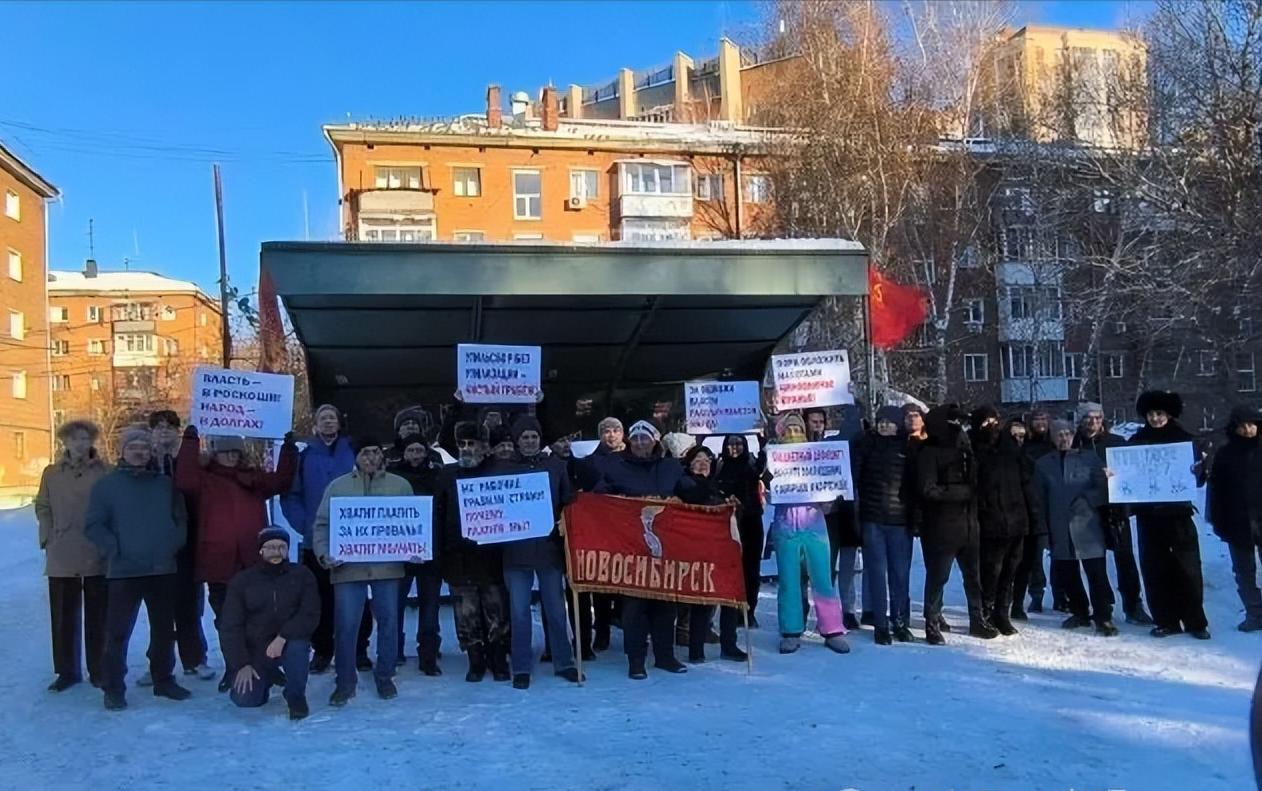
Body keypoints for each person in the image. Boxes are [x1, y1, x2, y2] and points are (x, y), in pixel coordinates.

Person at [175, 426, 297, 692]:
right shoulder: (204, 480)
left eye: (235, 452)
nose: (231, 456)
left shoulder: (252, 479)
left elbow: (281, 481)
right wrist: (190, 440)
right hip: (219, 563)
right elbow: (184, 480)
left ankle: (265, 664)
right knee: (227, 621)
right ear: (215, 454)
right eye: (226, 451)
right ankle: (234, 667)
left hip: (253, 561)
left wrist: (288, 449)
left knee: (260, 618)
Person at [85, 426, 191, 711]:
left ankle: (163, 679)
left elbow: (180, 519)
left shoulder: (165, 485)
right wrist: (114, 549)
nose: (139, 452)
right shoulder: (106, 487)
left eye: (144, 447)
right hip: (124, 571)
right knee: (117, 632)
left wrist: (172, 545)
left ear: (151, 451)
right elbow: (94, 525)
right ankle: (113, 687)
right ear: (122, 451)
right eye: (133, 447)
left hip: (161, 568)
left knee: (163, 630)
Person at [313, 436, 413, 705]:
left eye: (375, 452)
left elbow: (412, 521)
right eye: (365, 453)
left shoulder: (400, 485)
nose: (370, 457)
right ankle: (345, 681)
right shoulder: (338, 486)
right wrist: (324, 553)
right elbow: (322, 524)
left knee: (389, 623)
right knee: (346, 626)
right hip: (348, 567)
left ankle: (385, 676)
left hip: (387, 567)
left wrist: (416, 547)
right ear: (356, 457)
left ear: (382, 455)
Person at [594, 419, 692, 677]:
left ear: (655, 440)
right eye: (635, 438)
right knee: (634, 607)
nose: (639, 443)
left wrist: (706, 495)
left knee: (665, 604)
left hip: (664, 548)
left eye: (644, 438)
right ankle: (635, 660)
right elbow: (599, 496)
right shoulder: (617, 467)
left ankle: (665, 655)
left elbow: (690, 491)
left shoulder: (670, 467)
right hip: (631, 548)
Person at [501, 416, 582, 688]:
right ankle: (521, 667)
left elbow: (568, 499)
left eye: (533, 436)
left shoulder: (555, 465)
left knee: (556, 610)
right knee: (519, 613)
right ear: (517, 441)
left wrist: (568, 515)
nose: (529, 441)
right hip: (516, 551)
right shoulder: (505, 469)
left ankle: (564, 662)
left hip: (548, 549)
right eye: (524, 437)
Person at [281, 404, 359, 674]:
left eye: (332, 417)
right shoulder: (305, 457)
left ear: (339, 423)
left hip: (353, 539)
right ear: (315, 425)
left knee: (355, 597)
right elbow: (291, 495)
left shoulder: (353, 451)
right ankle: (323, 650)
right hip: (316, 540)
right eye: (322, 418)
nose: (328, 422)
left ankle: (358, 649)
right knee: (318, 599)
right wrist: (306, 526)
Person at [766, 413, 850, 656]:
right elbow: (768, 492)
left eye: (797, 429)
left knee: (823, 578)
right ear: (781, 432)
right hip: (786, 528)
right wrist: (769, 485)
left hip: (815, 527)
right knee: (789, 580)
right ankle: (791, 630)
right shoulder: (772, 459)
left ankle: (832, 629)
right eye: (789, 429)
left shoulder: (816, 455)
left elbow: (830, 487)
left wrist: (829, 500)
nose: (793, 433)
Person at [36, 419, 110, 691]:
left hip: (96, 551)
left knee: (98, 615)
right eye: (74, 438)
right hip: (62, 551)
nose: (79, 444)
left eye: (84, 438)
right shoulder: (52, 473)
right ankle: (66, 671)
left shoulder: (105, 472)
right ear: (64, 442)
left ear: (92, 442)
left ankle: (99, 669)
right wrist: (48, 535)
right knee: (63, 615)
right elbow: (42, 505)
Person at [1129, 390, 1210, 639]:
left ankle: (1196, 622)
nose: (1155, 418)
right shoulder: (1136, 442)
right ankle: (1166, 621)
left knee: (1188, 568)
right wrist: (1116, 476)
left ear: (1169, 414)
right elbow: (1128, 475)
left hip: (1178, 515)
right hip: (1149, 516)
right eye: (1151, 414)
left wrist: (1199, 471)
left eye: (1159, 413)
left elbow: (1198, 480)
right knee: (1154, 569)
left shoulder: (1185, 440)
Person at [437, 422, 511, 683]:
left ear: (485, 447)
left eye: (472, 443)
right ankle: (475, 659)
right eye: (462, 444)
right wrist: (441, 553)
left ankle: (498, 658)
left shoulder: (499, 473)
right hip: (458, 558)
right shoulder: (447, 475)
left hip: (492, 557)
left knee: (496, 611)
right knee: (466, 613)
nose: (466, 448)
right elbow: (438, 515)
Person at [220, 526, 319, 720]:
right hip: (255, 647)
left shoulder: (302, 575)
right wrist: (241, 663)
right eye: (271, 547)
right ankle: (268, 675)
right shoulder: (242, 581)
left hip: (289, 641)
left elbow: (310, 613)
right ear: (261, 550)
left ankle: (295, 696)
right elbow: (231, 626)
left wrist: (283, 637)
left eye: (281, 547)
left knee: (298, 646)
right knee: (245, 699)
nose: (276, 552)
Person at [916, 405, 996, 645]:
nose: (959, 427)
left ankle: (977, 620)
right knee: (938, 576)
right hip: (942, 526)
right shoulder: (929, 453)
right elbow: (928, 489)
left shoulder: (966, 450)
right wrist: (962, 492)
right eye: (953, 423)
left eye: (960, 423)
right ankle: (932, 622)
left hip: (970, 524)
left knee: (973, 577)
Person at [1036, 420, 1119, 636]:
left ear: (1073, 435)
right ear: (1052, 438)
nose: (1063, 438)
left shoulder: (1090, 459)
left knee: (1096, 573)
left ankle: (1103, 616)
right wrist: (1044, 529)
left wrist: (1087, 499)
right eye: (1058, 435)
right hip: (1059, 526)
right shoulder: (1043, 464)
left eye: (1067, 434)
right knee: (1068, 575)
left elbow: (1105, 488)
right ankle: (1080, 611)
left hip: (1088, 526)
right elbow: (1040, 498)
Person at [147, 409, 212, 682]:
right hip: (153, 543)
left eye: (169, 426)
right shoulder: (143, 462)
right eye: (158, 426)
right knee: (158, 607)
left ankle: (194, 658)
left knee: (189, 603)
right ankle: (158, 662)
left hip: (189, 538)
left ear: (177, 432)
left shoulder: (193, 460)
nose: (164, 431)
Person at [1074, 402, 1152, 625]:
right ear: (1080, 421)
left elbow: (1133, 472)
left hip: (1115, 510)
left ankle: (1133, 604)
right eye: (1088, 418)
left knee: (1125, 558)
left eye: (1097, 418)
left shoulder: (1116, 443)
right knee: (1094, 562)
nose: (1093, 422)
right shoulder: (1074, 444)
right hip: (1086, 512)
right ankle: (1103, 605)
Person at [970, 407, 1038, 637]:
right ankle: (987, 612)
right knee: (991, 571)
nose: (991, 426)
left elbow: (1027, 480)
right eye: (985, 422)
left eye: (994, 421)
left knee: (1010, 570)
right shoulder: (974, 449)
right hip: (990, 521)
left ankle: (1002, 613)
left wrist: (1032, 516)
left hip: (1016, 519)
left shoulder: (1011, 449)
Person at [676, 445, 746, 663]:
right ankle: (696, 648)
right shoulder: (684, 483)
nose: (703, 464)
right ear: (689, 463)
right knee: (702, 599)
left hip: (723, 549)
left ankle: (729, 644)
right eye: (698, 460)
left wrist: (734, 507)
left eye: (707, 460)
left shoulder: (718, 485)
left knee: (730, 597)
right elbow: (695, 497)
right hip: (696, 550)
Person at [851, 406, 915, 644]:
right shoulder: (866, 446)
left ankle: (900, 621)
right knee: (876, 573)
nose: (884, 425)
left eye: (889, 422)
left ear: (898, 424)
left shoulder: (908, 448)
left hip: (900, 520)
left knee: (900, 574)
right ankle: (880, 624)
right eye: (880, 421)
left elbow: (915, 484)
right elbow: (855, 477)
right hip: (873, 519)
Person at [385, 432, 446, 675]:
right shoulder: (392, 477)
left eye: (419, 450)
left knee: (430, 606)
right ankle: (394, 650)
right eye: (411, 450)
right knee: (395, 605)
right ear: (404, 453)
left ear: (426, 452)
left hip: (431, 550)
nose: (415, 455)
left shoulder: (438, 475)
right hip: (400, 552)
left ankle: (428, 655)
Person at [1209, 405, 1262, 632]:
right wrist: (1219, 521)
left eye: (1252, 425)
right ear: (1234, 428)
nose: (1248, 430)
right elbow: (1216, 491)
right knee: (1243, 573)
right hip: (1237, 522)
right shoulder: (1225, 454)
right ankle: (1255, 613)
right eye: (1243, 426)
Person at [579, 416, 625, 651]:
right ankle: (602, 630)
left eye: (616, 430)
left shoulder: (634, 458)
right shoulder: (590, 461)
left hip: (628, 530)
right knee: (602, 583)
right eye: (606, 431)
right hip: (602, 529)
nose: (611, 435)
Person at [714, 434, 765, 626]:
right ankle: (729, 611)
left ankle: (748, 611)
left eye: (738, 443)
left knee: (751, 569)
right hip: (726, 523)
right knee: (729, 569)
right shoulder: (719, 466)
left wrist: (762, 440)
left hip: (751, 521)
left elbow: (765, 465)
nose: (734, 447)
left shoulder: (752, 464)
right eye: (730, 444)